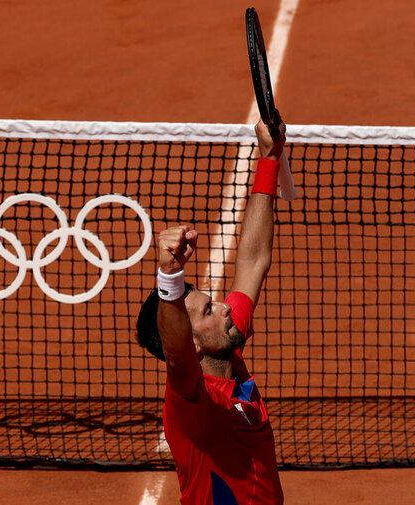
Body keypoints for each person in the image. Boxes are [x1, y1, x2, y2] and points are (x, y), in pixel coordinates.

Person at [136, 116, 287, 505]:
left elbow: (253, 261)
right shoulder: (192, 404)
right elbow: (177, 357)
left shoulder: (228, 347)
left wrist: (268, 160)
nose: (222, 307)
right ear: (194, 344)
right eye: (207, 311)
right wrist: (169, 277)